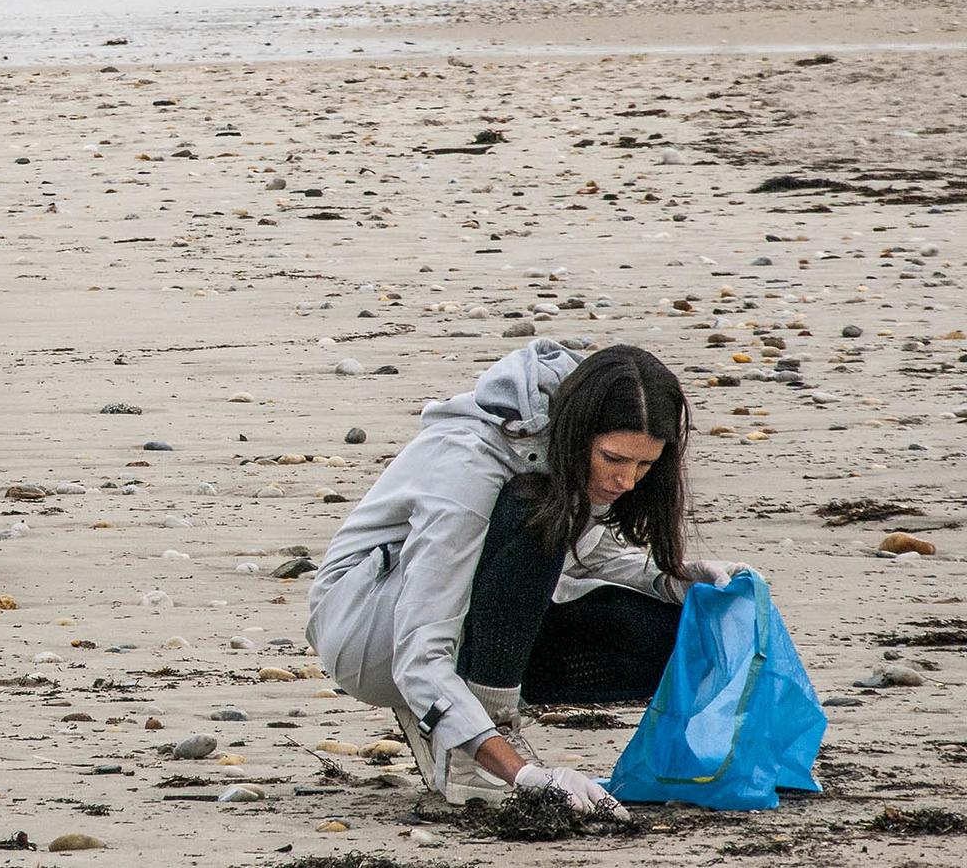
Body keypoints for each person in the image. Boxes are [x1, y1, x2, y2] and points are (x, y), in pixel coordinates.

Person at [306, 342, 750, 818]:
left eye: (644, 465)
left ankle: (458, 720)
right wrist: (522, 773)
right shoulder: (468, 464)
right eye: (614, 459)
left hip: (458, 616)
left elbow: (585, 548)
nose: (627, 482)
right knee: (534, 512)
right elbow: (421, 649)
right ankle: (473, 747)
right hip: (370, 634)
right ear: (578, 431)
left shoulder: (565, 447)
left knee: (668, 636)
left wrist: (672, 578)